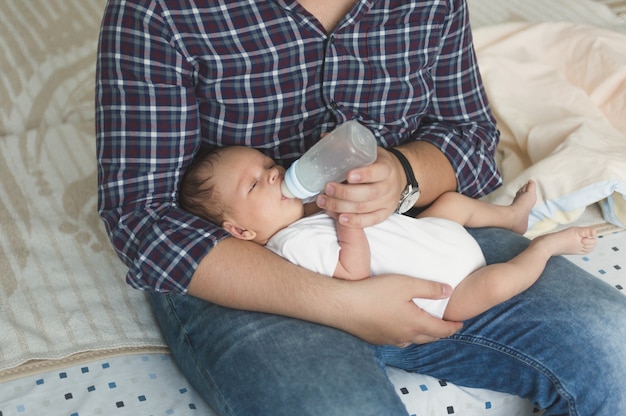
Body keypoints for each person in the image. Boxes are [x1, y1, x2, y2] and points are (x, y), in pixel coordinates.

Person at [96, 0, 626, 415]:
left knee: (614, 348)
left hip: (410, 232)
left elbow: (471, 136)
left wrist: (404, 173)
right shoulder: (161, 11)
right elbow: (143, 215)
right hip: (244, 271)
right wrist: (341, 303)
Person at [178, 145, 597, 322]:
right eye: (254, 185)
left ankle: (512, 218)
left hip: (429, 236)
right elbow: (350, 273)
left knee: (450, 204)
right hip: (448, 290)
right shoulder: (291, 246)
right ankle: (546, 246)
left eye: (269, 166)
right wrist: (349, 223)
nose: (273, 176)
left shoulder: (304, 212)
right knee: (501, 281)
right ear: (241, 230)